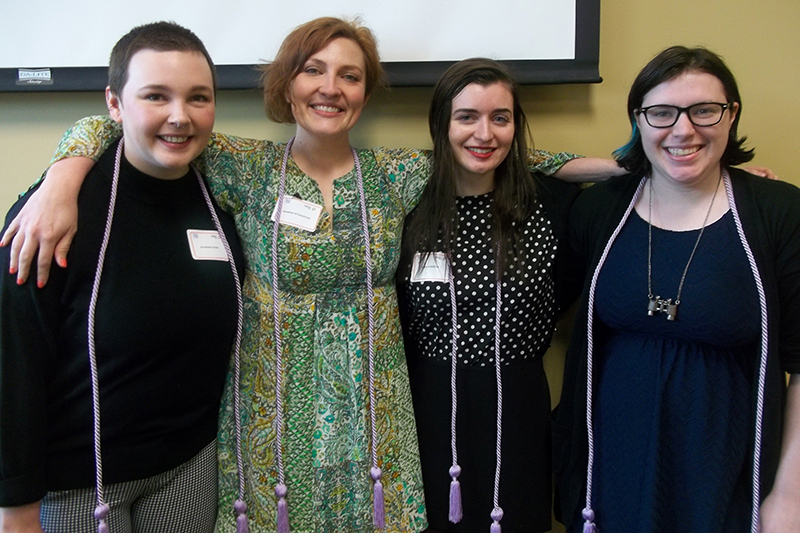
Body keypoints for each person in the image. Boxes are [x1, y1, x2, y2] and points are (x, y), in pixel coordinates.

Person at [0, 18, 629, 532]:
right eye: (314, 70)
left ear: (365, 90)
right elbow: (116, 123)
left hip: (373, 402)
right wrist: (63, 175)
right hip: (271, 397)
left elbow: (507, 152)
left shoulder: (397, 173)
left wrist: (636, 163)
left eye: (349, 75)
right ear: (287, 84)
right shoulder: (239, 164)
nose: (331, 88)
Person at [0, 22, 245, 533]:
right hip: (77, 484)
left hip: (188, 471)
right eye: (156, 96)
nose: (180, 116)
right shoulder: (51, 216)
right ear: (114, 104)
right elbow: (12, 363)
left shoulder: (222, 194)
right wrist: (15, 505)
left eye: (198, 98)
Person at [552, 45, 800, 533]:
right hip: (613, 467)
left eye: (704, 110)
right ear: (638, 120)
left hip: (726, 468)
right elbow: (512, 167)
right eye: (661, 113)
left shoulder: (778, 212)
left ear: (731, 115)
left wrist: (789, 495)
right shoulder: (599, 208)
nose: (683, 129)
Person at [397, 59, 581, 533]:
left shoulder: (555, 203)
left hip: (518, 401)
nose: (485, 133)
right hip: (428, 403)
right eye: (467, 117)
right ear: (442, 124)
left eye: (500, 118)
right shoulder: (406, 201)